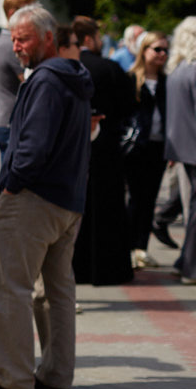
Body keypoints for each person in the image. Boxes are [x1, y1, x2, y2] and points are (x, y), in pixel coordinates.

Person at [0, 5, 93, 389]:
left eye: (23, 38)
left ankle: (12, 377)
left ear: (48, 38)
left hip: (33, 200)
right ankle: (56, 374)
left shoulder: (46, 82)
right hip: (68, 201)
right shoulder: (74, 77)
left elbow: (33, 148)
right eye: (13, 37)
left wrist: (12, 184)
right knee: (57, 291)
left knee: (9, 286)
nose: (16, 46)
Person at [71, 15, 135, 285]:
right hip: (106, 148)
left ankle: (78, 268)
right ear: (89, 39)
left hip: (73, 151)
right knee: (108, 208)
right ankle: (108, 270)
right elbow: (128, 106)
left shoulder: (66, 67)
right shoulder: (109, 68)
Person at [124, 31, 170, 269]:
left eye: (165, 50)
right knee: (135, 198)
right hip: (136, 148)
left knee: (150, 199)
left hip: (158, 147)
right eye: (157, 49)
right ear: (144, 50)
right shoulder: (131, 79)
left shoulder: (166, 81)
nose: (162, 54)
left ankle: (141, 248)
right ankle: (129, 248)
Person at [164, 16, 196, 285]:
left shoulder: (177, 70)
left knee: (191, 207)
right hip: (192, 146)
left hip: (182, 146)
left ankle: (184, 261)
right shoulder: (193, 70)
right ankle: (189, 267)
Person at [0, 0, 38, 159]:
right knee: (11, 180)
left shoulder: (3, 41)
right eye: (28, 12)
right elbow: (32, 84)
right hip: (10, 122)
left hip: (5, 120)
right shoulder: (11, 44)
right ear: (12, 14)